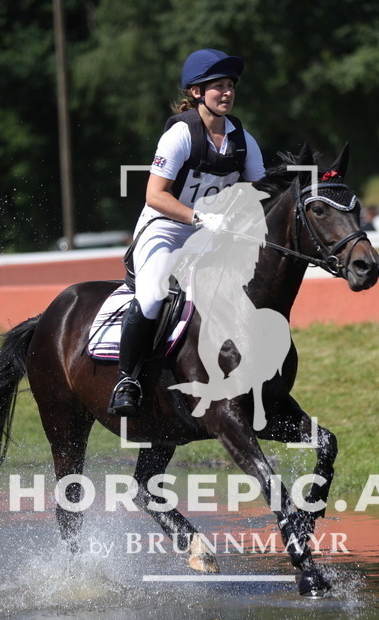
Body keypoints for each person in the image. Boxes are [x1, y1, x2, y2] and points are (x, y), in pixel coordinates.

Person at [108, 48, 266, 417]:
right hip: (164, 229)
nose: (226, 93)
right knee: (151, 297)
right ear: (196, 93)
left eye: (230, 86)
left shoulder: (242, 139)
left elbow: (261, 192)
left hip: (212, 236)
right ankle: (127, 378)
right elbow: (155, 195)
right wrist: (200, 218)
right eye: (218, 87)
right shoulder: (180, 134)